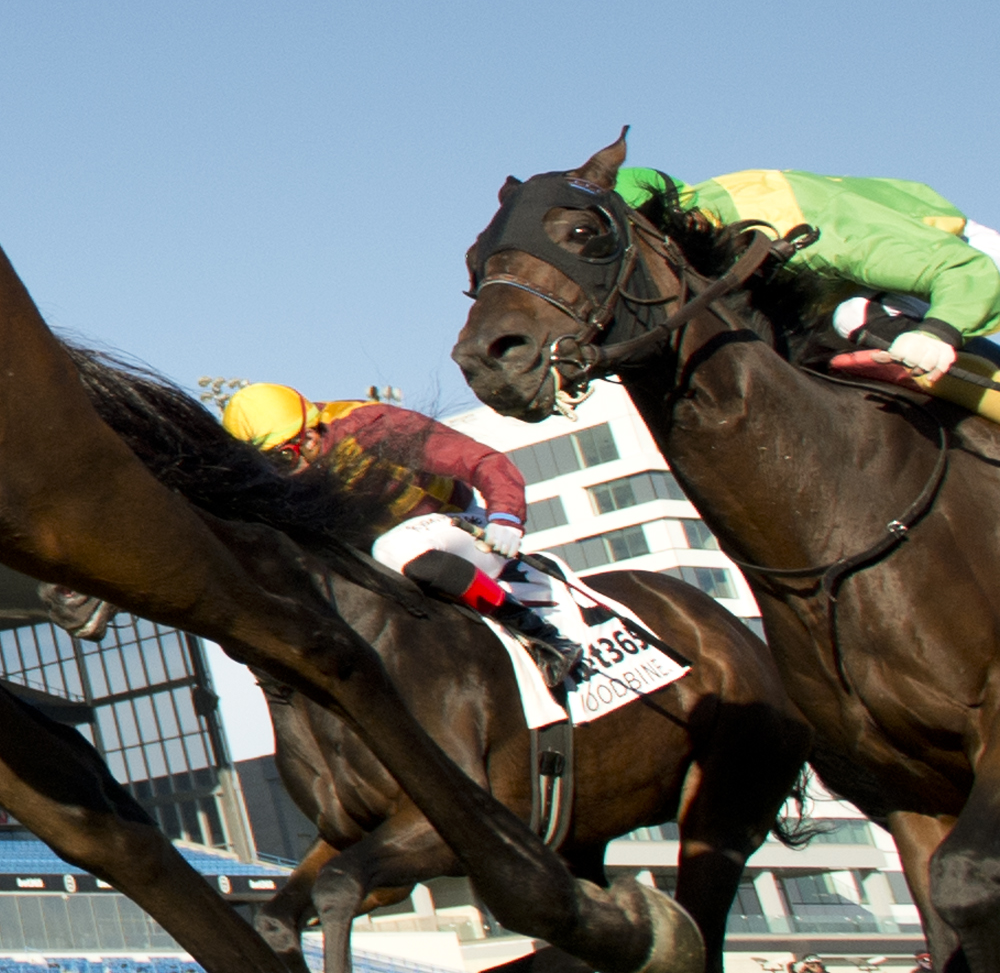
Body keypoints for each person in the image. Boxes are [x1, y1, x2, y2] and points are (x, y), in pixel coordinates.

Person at [223, 384, 582, 686]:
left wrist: (505, 516)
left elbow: (482, 461)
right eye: (270, 463)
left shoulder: (372, 427)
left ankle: (544, 637)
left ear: (310, 429)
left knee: (395, 546)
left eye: (286, 456)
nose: (289, 471)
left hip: (458, 527)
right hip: (380, 557)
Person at [611, 164, 997, 399]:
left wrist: (937, 333)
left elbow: (964, 269)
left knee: (854, 317)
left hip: (966, 260)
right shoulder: (711, 230)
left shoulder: (788, 219)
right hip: (882, 282)